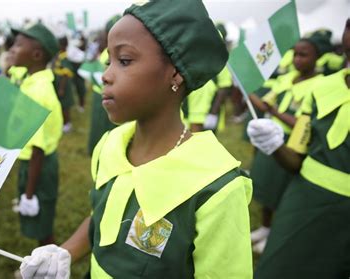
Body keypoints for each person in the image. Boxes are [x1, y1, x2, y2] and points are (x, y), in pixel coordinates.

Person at [19, 1, 252, 278]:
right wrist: (66, 251)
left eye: (125, 61)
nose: (106, 75)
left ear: (175, 72)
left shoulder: (216, 186)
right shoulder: (110, 145)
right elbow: (103, 217)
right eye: (108, 62)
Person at [248, 18, 350, 279]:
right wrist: (275, 145)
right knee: (278, 267)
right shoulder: (324, 88)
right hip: (304, 200)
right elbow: (296, 159)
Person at [248, 36, 324, 253]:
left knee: (281, 190)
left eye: (304, 55)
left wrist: (274, 112)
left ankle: (275, 234)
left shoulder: (319, 85)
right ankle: (265, 227)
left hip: (290, 145)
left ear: (317, 56)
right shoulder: (288, 77)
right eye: (295, 54)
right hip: (271, 138)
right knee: (267, 185)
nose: (297, 60)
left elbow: (303, 122)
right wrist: (247, 91)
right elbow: (266, 103)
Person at [9, 23, 63, 245]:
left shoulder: (38, 91)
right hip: (33, 163)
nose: (12, 49)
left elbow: (38, 150)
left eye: (18, 45)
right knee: (40, 221)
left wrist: (29, 194)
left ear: (37, 55)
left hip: (38, 166)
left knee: (42, 226)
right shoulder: (31, 81)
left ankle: (47, 269)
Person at [78, 15, 119, 155]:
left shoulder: (105, 53)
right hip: (104, 95)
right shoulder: (107, 53)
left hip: (107, 95)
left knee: (106, 128)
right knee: (104, 127)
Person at [52, 37, 75, 133]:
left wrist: (61, 88)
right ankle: (63, 122)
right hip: (58, 83)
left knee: (65, 105)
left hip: (63, 85)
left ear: (63, 46)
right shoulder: (59, 56)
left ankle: (67, 124)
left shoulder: (65, 57)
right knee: (61, 105)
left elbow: (66, 74)